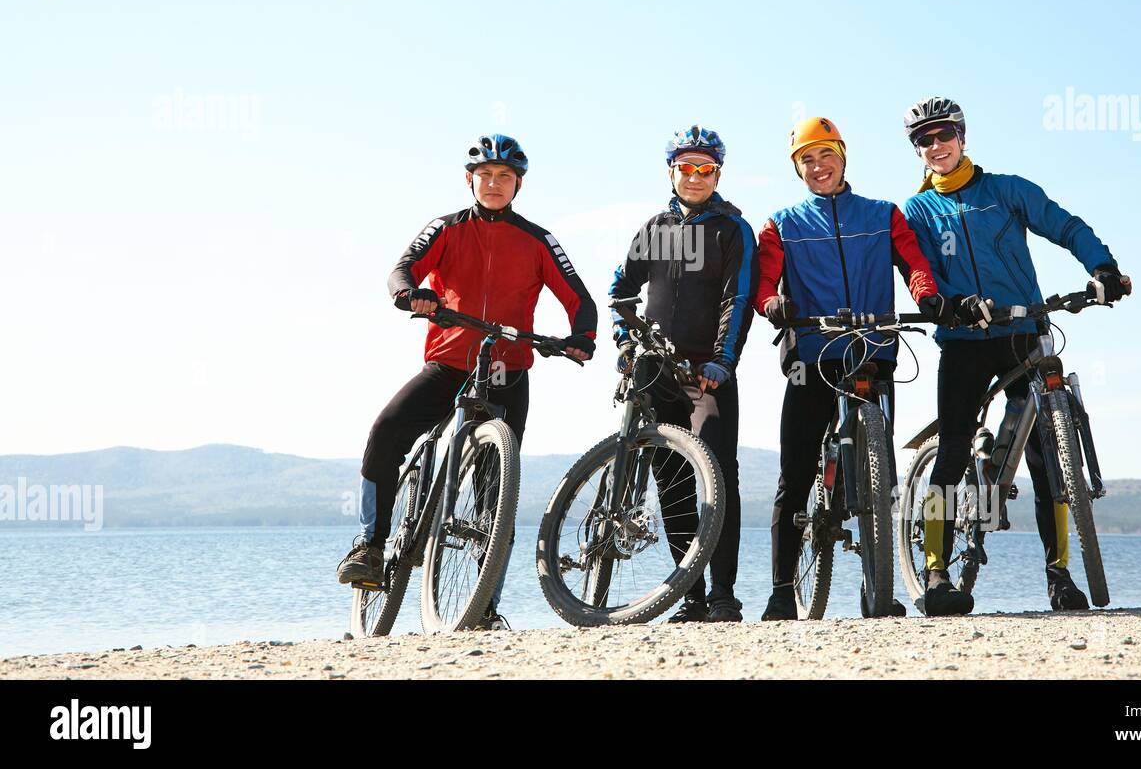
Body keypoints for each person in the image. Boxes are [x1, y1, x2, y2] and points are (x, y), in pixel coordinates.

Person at [336, 133, 598, 629]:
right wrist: (411, 293)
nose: (495, 184)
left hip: (508, 372)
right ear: (469, 181)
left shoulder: (539, 240)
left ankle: (484, 608)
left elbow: (578, 296)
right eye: (486, 176)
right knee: (386, 431)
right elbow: (402, 269)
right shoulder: (447, 228)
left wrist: (581, 336)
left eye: (505, 177)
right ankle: (371, 546)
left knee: (496, 494)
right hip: (448, 364)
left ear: (518, 184)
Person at [901, 96, 1132, 616]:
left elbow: (1065, 226)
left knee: (1049, 458)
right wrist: (947, 305)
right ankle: (936, 573)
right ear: (917, 150)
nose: (936, 146)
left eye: (944, 134)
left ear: (963, 135)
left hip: (1023, 331)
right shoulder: (916, 211)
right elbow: (918, 274)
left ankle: (1059, 574)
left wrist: (1104, 269)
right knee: (954, 451)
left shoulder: (1007, 190)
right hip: (963, 343)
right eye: (924, 140)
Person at [755, 117, 951, 621]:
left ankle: (875, 588)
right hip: (812, 355)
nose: (818, 167)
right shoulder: (783, 222)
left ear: (843, 157)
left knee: (878, 470)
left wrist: (925, 293)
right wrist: (772, 302)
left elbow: (913, 263)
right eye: (807, 160)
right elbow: (764, 281)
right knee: (794, 473)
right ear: (798, 169)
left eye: (826, 156)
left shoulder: (883, 214)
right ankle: (781, 591)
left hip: (873, 350)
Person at [608, 126, 758, 623]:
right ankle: (690, 593)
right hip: (654, 368)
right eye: (686, 167)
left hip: (706, 372)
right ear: (670, 171)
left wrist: (722, 360)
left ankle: (723, 594)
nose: (695, 177)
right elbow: (619, 292)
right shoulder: (652, 228)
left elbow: (738, 300)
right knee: (670, 480)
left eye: (706, 168)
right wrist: (625, 341)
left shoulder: (733, 229)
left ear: (718, 173)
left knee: (718, 471)